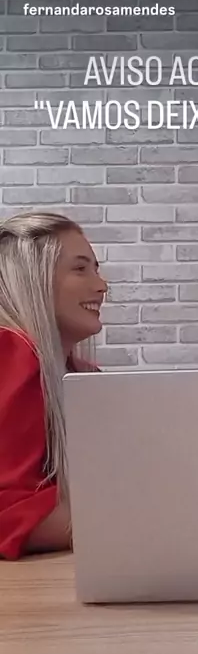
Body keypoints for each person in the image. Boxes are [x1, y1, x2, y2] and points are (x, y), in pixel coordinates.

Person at [0, 211, 107, 560]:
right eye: (80, 269)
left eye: (96, 269)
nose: (102, 286)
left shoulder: (84, 376)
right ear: (33, 277)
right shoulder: (12, 353)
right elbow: (7, 512)